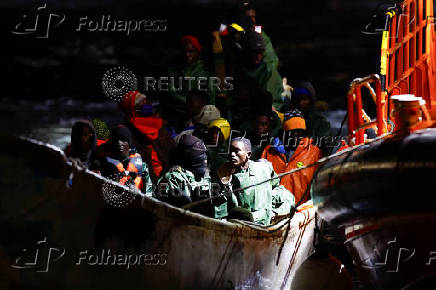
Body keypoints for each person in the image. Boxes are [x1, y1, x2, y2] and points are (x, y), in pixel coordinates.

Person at [216, 137, 293, 225]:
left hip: (266, 225)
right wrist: (226, 184)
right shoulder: (224, 173)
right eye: (230, 151)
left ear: (248, 155)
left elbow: (280, 190)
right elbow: (221, 210)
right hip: (241, 227)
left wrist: (275, 212)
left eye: (236, 151)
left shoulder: (263, 168)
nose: (232, 154)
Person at [261, 111, 322, 204]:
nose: (296, 135)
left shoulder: (313, 153)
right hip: (272, 208)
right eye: (292, 131)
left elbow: (320, 185)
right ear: (284, 131)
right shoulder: (270, 151)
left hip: (301, 211)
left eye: (300, 131)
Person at [119, 90, 176, 181]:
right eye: (142, 102)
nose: (147, 104)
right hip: (149, 180)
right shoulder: (128, 132)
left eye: (146, 100)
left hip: (165, 177)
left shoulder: (157, 124)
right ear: (134, 109)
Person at [165, 35, 217, 131]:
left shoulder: (205, 70)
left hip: (199, 114)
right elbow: (170, 91)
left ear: (198, 51)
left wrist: (207, 112)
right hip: (178, 112)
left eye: (191, 51)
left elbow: (211, 94)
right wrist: (189, 104)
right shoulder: (174, 69)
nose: (187, 55)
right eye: (184, 51)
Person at [156, 135, 214, 215]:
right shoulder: (174, 177)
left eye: (204, 154)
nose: (205, 158)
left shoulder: (204, 177)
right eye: (201, 154)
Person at [91, 125, 153, 195]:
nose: (119, 143)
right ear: (111, 143)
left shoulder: (142, 166)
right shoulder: (100, 163)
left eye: (123, 139)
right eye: (115, 140)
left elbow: (149, 193)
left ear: (129, 143)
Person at [284, 82, 332, 155]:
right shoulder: (286, 118)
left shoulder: (321, 123)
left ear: (311, 100)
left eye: (304, 99)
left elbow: (327, 147)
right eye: (298, 99)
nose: (300, 103)